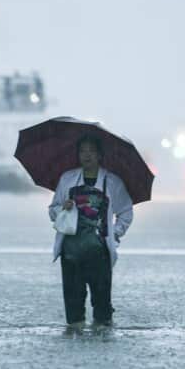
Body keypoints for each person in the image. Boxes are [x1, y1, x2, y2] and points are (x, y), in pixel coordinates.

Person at [48, 135, 133, 330]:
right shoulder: (67, 179)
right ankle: (75, 333)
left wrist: (114, 234)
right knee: (73, 305)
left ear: (100, 155)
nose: (86, 155)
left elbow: (126, 212)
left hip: (99, 251)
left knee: (102, 308)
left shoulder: (112, 182)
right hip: (70, 250)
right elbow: (53, 211)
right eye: (82, 151)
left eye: (91, 151)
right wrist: (63, 208)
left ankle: (102, 336)